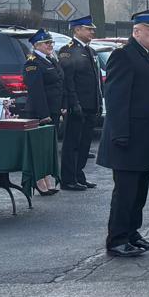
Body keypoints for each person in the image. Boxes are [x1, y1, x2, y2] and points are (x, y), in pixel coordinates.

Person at [100, 8, 149, 257]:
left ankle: (132, 233)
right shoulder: (123, 56)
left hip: (145, 137)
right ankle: (117, 239)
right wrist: (120, 134)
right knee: (126, 192)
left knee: (140, 191)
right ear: (136, 31)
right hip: (127, 137)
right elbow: (116, 98)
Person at [58, 15, 103, 191]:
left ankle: (79, 174)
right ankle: (68, 178)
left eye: (92, 29)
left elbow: (95, 81)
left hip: (90, 105)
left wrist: (99, 102)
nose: (92, 32)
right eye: (88, 29)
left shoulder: (90, 51)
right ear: (77, 30)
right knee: (72, 143)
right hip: (77, 105)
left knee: (84, 143)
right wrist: (74, 103)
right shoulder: (68, 51)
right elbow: (68, 81)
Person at [22, 29, 67, 196]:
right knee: (39, 149)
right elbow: (36, 91)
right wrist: (44, 114)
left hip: (53, 110)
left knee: (49, 148)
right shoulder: (33, 63)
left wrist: (62, 105)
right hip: (40, 112)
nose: (50, 45)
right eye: (46, 43)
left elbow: (60, 83)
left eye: (51, 42)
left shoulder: (50, 60)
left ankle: (47, 177)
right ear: (36, 45)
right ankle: (38, 181)